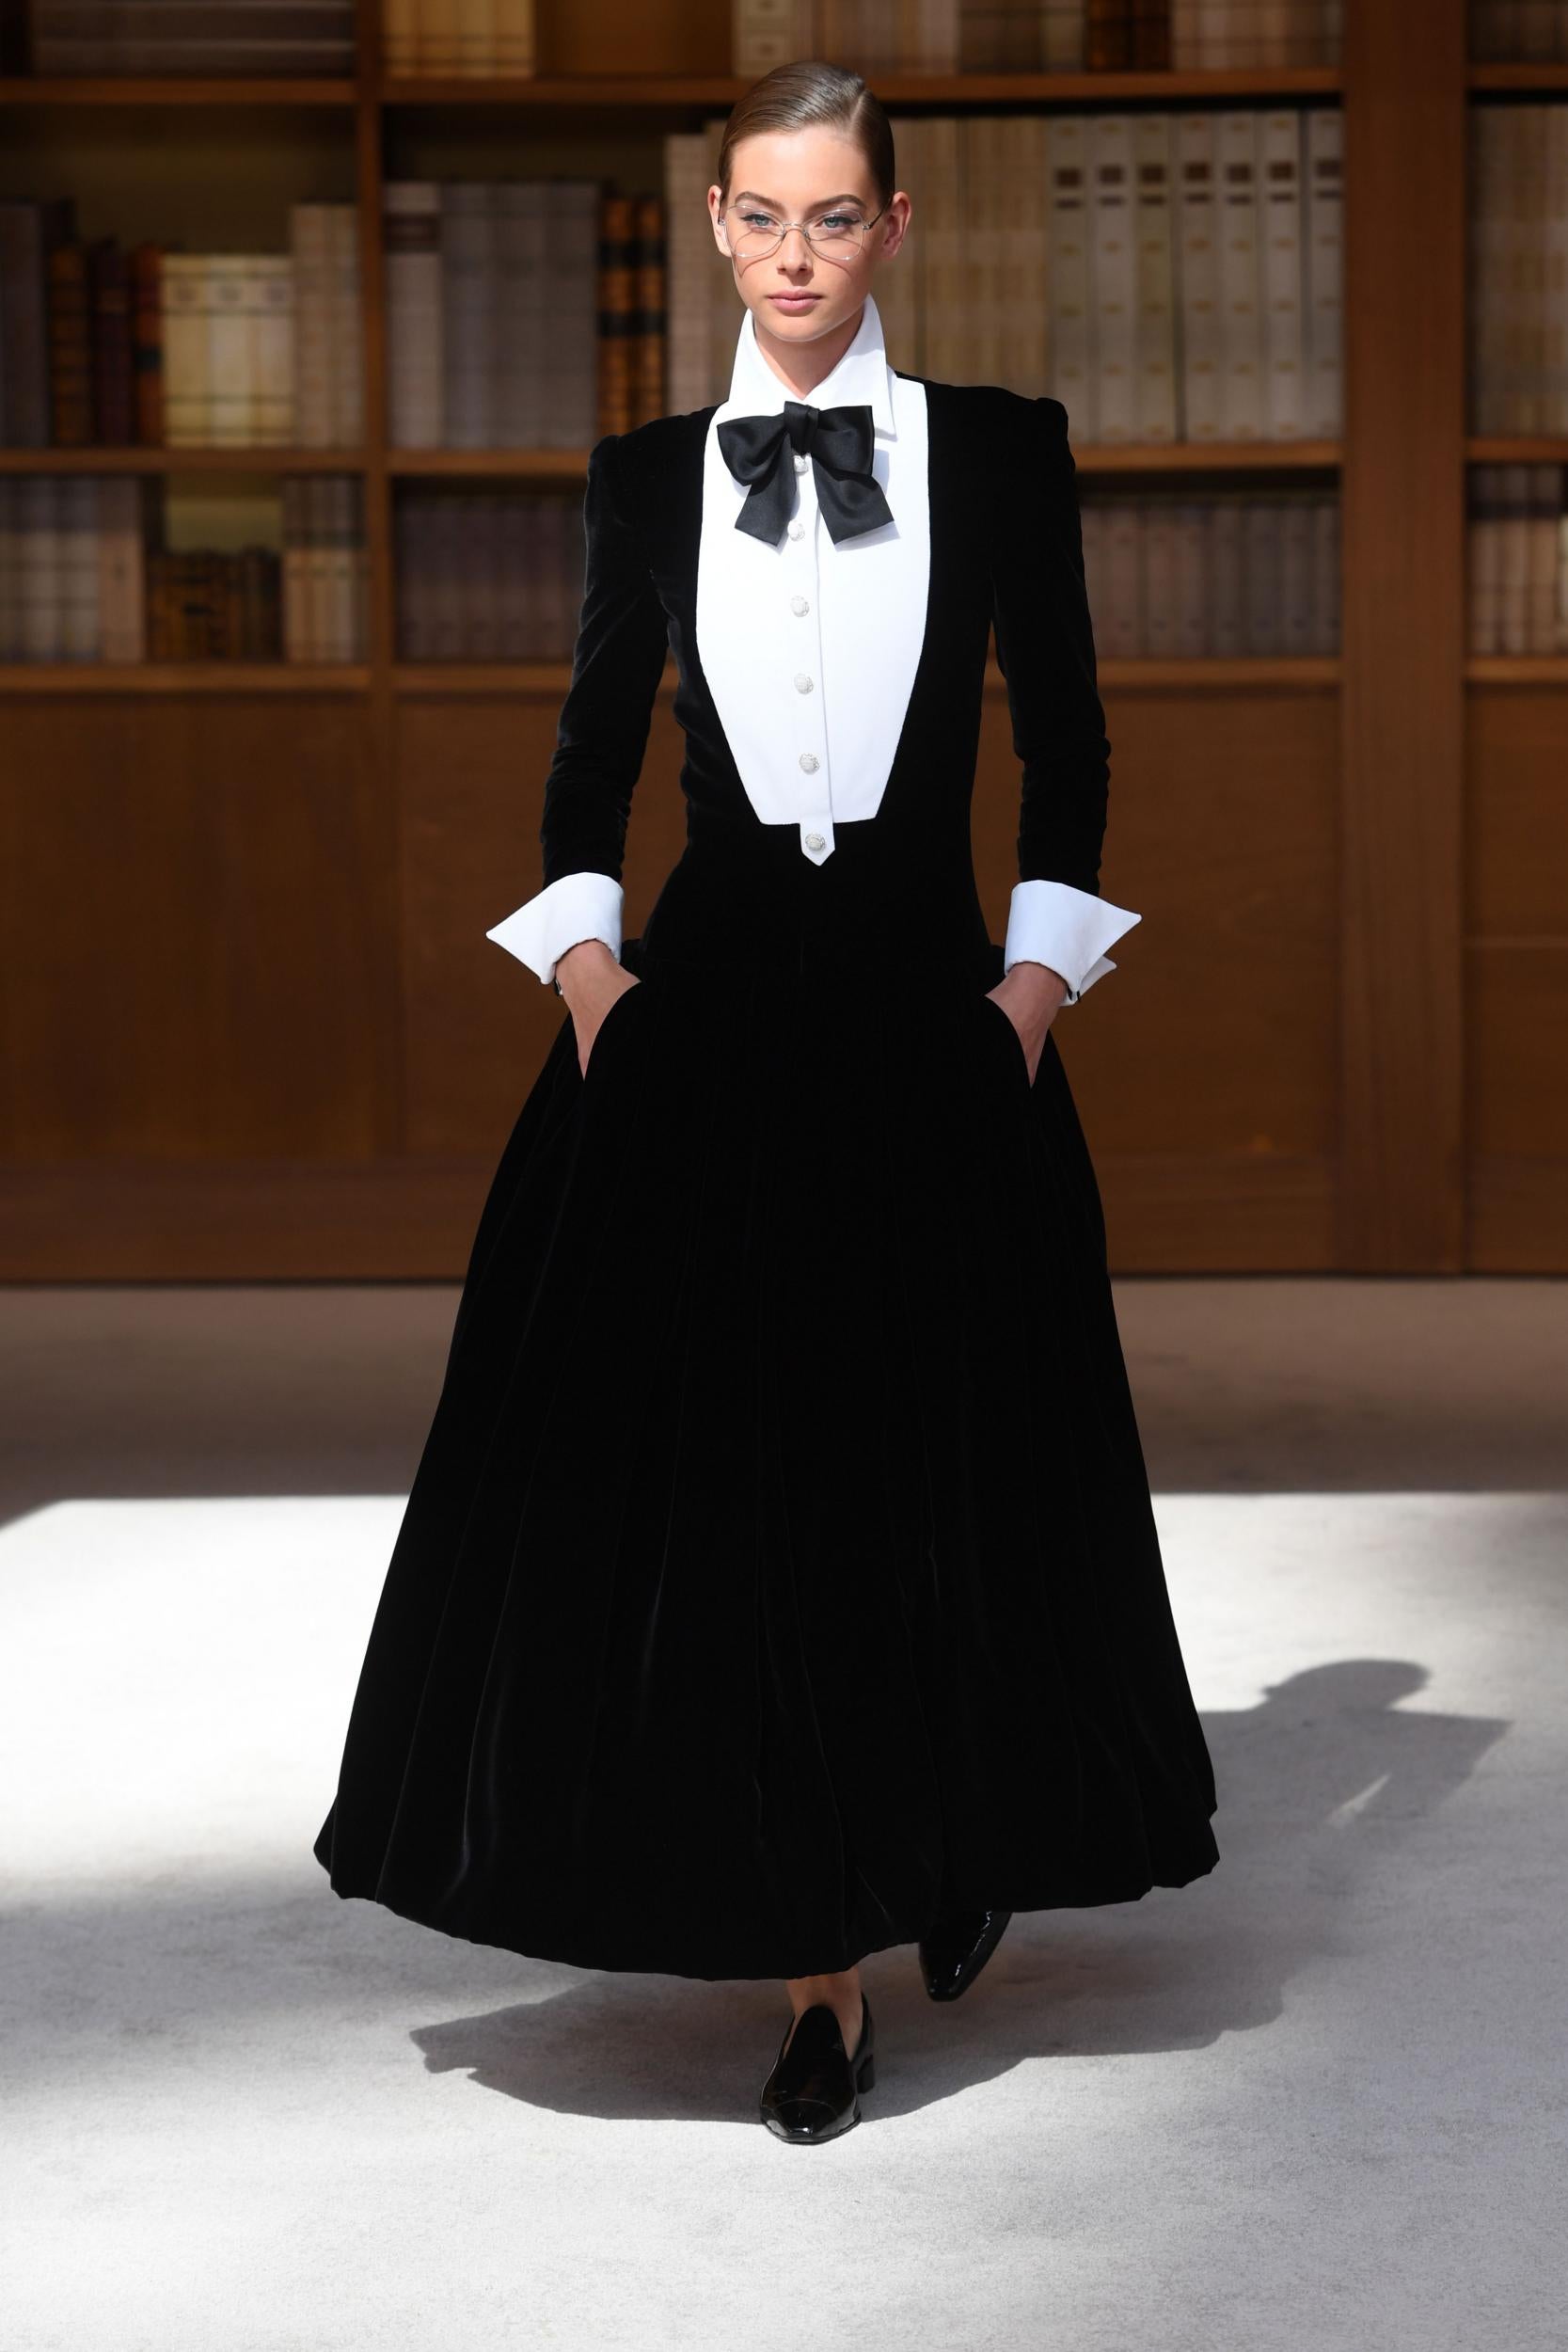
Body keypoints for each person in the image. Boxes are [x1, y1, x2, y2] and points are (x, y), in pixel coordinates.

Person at [311, 58, 1219, 2147]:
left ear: (894, 228)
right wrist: (593, 982)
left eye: (835, 218)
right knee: (748, 1490)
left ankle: (951, 1827)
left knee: (955, 1453)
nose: (796, 257)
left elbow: (1069, 738)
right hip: (706, 1023)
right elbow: (580, 761)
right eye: (762, 218)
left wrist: (1028, 994)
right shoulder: (643, 472)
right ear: (719, 226)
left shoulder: (996, 454)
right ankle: (825, 1973)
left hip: (928, 1012)